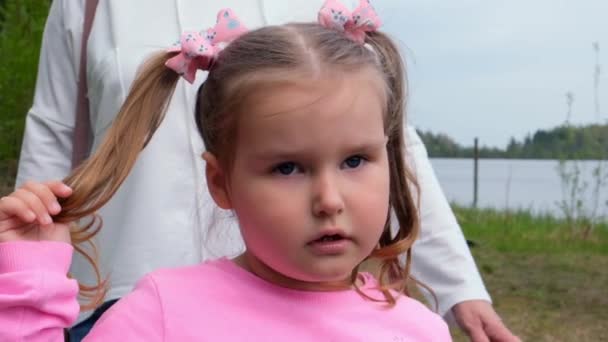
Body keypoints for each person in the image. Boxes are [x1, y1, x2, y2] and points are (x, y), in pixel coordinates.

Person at [13, 0, 519, 341]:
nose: (330, 199)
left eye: (354, 162)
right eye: (287, 167)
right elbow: (54, 128)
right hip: (121, 273)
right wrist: (30, 267)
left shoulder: (415, 330)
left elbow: (389, 136)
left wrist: (457, 286)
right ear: (220, 180)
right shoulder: (153, 316)